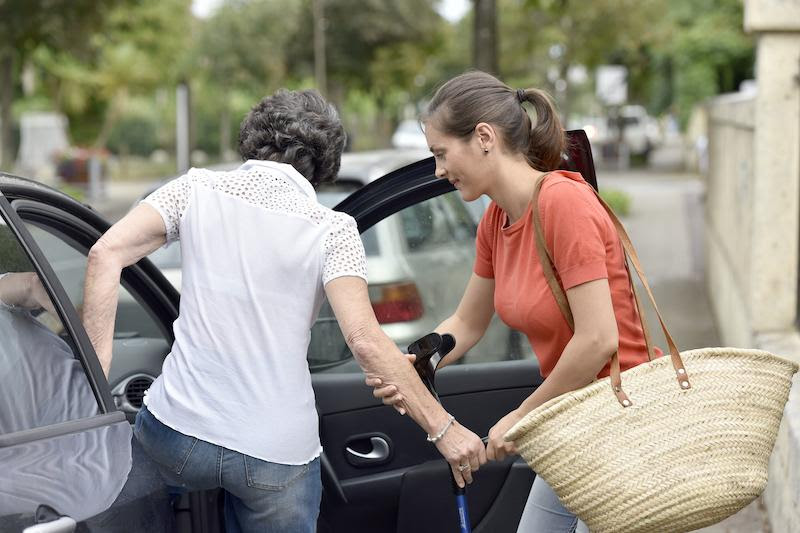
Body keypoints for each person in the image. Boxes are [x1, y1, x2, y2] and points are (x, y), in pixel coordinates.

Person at [81, 88, 486, 533]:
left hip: (177, 433)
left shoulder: (195, 188)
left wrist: (95, 389)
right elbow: (366, 342)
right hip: (275, 453)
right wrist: (443, 429)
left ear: (253, 136)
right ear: (325, 162)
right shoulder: (332, 230)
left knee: (115, 505)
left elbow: (105, 255)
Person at [371, 71, 653, 532]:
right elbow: (467, 321)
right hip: (569, 425)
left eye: (441, 153)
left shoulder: (565, 205)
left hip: (621, 425)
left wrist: (522, 417)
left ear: (484, 137)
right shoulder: (496, 221)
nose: (439, 170)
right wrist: (416, 366)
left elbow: (598, 339)